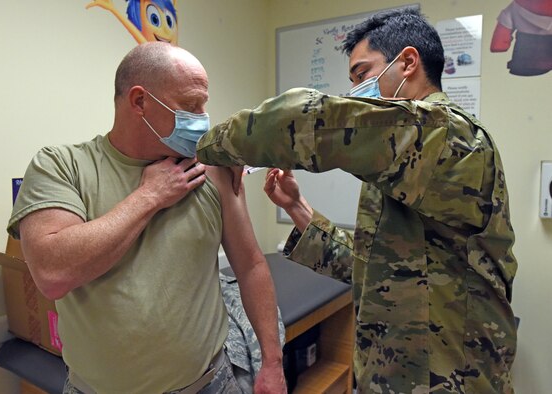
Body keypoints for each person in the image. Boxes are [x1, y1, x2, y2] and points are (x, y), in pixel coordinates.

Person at [196, 8, 518, 394]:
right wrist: (297, 208)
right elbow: (372, 269)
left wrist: (208, 146)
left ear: (408, 62)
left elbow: (304, 121)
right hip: (393, 374)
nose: (356, 92)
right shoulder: (406, 168)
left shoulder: (451, 138)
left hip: (449, 380)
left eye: (363, 75)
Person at [7, 42, 286, 394]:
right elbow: (52, 274)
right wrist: (149, 197)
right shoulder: (61, 166)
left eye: (204, 105)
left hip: (210, 385)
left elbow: (251, 266)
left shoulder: (212, 169)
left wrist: (272, 363)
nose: (202, 118)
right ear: (139, 102)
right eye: (190, 106)